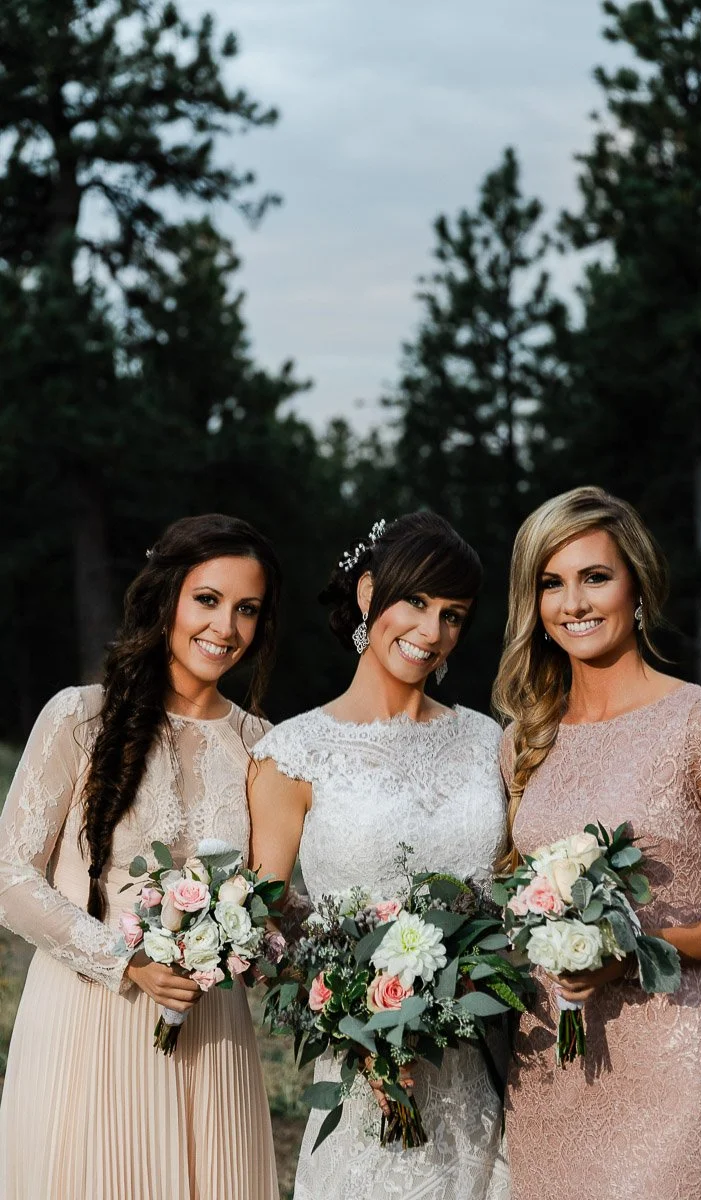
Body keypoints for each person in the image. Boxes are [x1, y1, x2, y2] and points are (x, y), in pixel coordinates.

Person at [493, 485, 701, 1200]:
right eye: (551, 583)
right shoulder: (521, 743)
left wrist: (639, 953)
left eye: (594, 577)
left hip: (667, 1061)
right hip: (546, 1066)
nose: (573, 602)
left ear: (636, 585)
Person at [0, 513, 282, 1200]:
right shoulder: (79, 717)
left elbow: (274, 893)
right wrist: (127, 962)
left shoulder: (264, 746)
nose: (226, 627)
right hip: (88, 1013)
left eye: (247, 609)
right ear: (167, 598)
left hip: (210, 1032)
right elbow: (8, 875)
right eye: (208, 600)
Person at [248, 511, 510, 1200]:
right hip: (364, 1075)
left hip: (483, 1070)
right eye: (417, 602)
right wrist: (349, 1009)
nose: (431, 632)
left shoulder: (490, 744)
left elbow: (512, 889)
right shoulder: (290, 756)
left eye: (453, 615)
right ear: (368, 594)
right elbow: (268, 926)